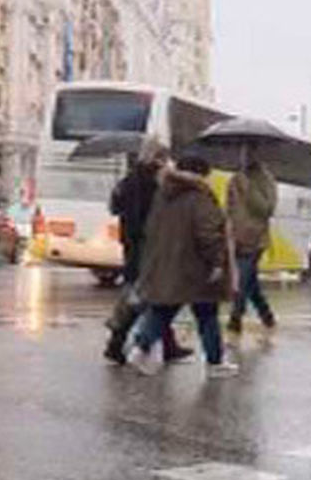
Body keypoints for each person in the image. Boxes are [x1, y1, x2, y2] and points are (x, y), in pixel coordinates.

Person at [128, 156, 238, 378]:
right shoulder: (200, 196)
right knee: (207, 314)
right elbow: (208, 233)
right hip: (196, 266)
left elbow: (151, 228)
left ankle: (140, 350)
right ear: (201, 173)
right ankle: (215, 363)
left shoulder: (164, 193)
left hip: (168, 262)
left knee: (163, 310)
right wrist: (217, 262)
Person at [102, 143, 193, 365]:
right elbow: (148, 217)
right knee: (143, 298)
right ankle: (116, 343)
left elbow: (115, 207)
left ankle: (165, 346)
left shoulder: (129, 180)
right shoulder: (150, 183)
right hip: (146, 248)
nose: (167, 162)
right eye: (164, 158)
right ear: (157, 159)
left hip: (134, 247)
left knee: (151, 296)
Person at [226, 147, 278, 333]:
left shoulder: (265, 180)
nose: (243, 158)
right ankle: (266, 315)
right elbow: (230, 208)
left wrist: (248, 189)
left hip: (255, 239)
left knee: (242, 278)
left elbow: (267, 209)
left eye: (248, 155)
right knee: (250, 282)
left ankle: (235, 318)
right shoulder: (234, 179)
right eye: (241, 154)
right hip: (236, 237)